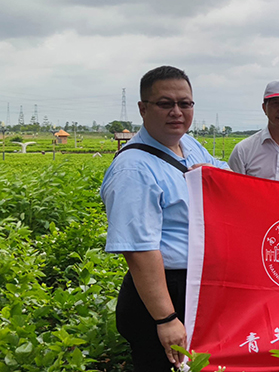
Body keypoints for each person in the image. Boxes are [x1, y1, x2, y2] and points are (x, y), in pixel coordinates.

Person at [101, 66, 230, 370]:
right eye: (165, 103)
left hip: (196, 286)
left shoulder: (190, 145)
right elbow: (139, 249)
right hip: (163, 294)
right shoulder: (133, 169)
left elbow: (224, 179)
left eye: (185, 104)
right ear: (143, 108)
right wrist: (167, 318)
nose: (177, 112)